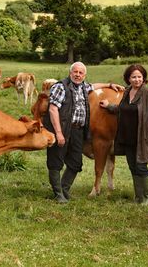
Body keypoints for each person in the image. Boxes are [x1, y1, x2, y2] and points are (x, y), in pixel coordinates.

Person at [43, 62, 124, 203]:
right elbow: (53, 109)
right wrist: (58, 133)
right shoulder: (60, 87)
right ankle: (58, 194)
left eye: (81, 73)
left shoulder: (82, 87)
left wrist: (109, 85)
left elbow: (93, 86)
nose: (78, 75)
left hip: (78, 131)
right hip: (62, 128)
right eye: (75, 72)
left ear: (84, 75)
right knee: (56, 161)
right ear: (70, 73)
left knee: (75, 163)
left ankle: (64, 189)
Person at [99, 64, 148, 204]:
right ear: (128, 78)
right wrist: (109, 106)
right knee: (133, 167)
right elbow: (122, 109)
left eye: (139, 77)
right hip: (127, 136)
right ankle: (139, 197)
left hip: (141, 137)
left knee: (141, 166)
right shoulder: (127, 91)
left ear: (143, 78)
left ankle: (147, 199)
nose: (137, 80)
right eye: (134, 77)